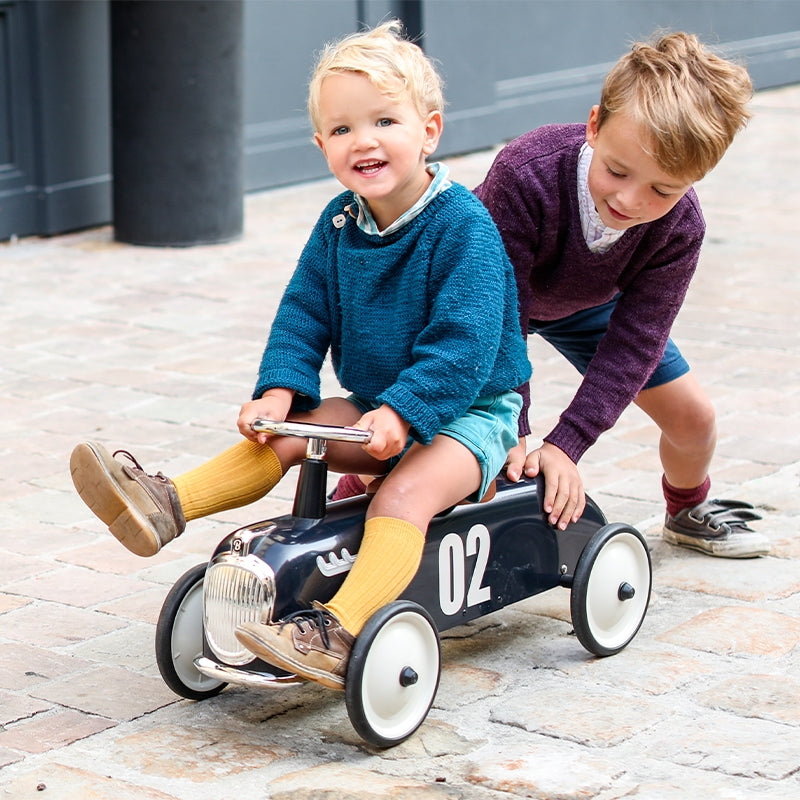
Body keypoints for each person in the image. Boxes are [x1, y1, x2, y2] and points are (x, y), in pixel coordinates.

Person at [69, 21, 531, 689]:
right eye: (341, 130)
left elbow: (464, 347)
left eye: (383, 121)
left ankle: (337, 629)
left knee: (400, 497)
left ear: (428, 131)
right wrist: (280, 391)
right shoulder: (340, 221)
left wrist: (405, 412)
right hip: (378, 403)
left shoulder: (462, 226)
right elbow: (304, 310)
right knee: (286, 438)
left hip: (469, 414)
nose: (362, 140)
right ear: (321, 145)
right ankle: (168, 504)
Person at [333, 31, 767, 559]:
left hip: (584, 301)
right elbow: (498, 311)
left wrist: (567, 443)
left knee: (694, 419)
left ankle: (687, 511)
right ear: (593, 125)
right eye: (618, 171)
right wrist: (511, 430)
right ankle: (348, 512)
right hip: (472, 293)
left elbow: (635, 342)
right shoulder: (527, 170)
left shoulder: (680, 227)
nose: (630, 200)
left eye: (663, 189)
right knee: (428, 412)